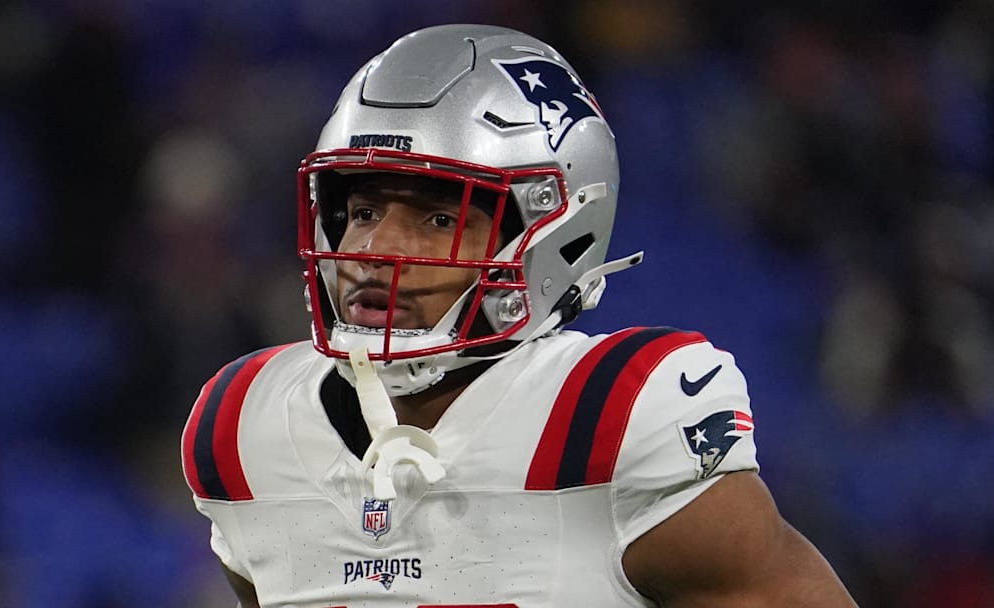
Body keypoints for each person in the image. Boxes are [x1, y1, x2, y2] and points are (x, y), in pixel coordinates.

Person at [181, 24, 858, 607]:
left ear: (554, 234)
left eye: (438, 217)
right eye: (362, 211)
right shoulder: (244, 426)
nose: (373, 249)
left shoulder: (611, 418)